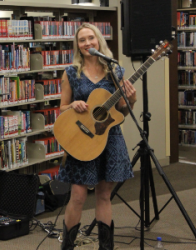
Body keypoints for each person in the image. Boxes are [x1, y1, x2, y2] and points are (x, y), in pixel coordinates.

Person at [58, 23, 137, 250]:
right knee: (78, 195)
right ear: (77, 45)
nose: (87, 44)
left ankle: (106, 247)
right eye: (82, 40)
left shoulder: (115, 71)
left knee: (104, 195)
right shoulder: (71, 72)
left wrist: (131, 99)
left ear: (99, 41)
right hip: (82, 140)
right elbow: (62, 107)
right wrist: (72, 104)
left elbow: (121, 111)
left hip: (109, 139)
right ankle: (68, 247)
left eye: (90, 38)